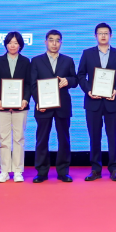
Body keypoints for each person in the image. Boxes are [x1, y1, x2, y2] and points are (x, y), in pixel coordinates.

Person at [77, 23, 116, 182]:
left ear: (111, 36)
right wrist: (88, 90)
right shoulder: (87, 53)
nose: (103, 36)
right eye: (100, 33)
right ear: (95, 36)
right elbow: (81, 75)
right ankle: (95, 169)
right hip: (93, 102)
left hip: (112, 102)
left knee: (113, 137)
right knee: (94, 137)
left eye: (106, 33)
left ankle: (114, 169)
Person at [30, 29, 78, 183]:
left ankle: (63, 171)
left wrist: (68, 81)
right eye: (51, 40)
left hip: (62, 106)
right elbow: (32, 84)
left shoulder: (68, 60)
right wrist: (38, 101)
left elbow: (75, 80)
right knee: (42, 139)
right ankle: (41, 172)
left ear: (61, 43)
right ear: (45, 42)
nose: (54, 43)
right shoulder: (36, 61)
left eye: (57, 40)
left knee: (64, 139)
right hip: (43, 106)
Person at [0, 31, 31, 183]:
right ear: (6, 44)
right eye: (10, 42)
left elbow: (29, 83)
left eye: (16, 43)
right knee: (4, 138)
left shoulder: (26, 61)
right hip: (2, 106)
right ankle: (5, 171)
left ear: (20, 45)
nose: (12, 45)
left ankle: (18, 171)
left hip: (21, 106)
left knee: (19, 138)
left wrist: (25, 99)